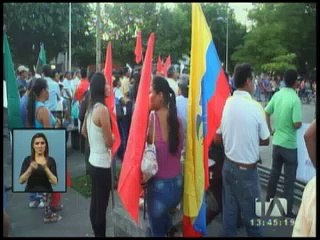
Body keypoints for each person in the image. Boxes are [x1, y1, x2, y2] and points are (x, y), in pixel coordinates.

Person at [215, 63, 270, 237]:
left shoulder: (228, 103)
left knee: (229, 217)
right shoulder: (255, 107)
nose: (254, 83)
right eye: (253, 80)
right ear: (247, 81)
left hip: (228, 168)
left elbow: (218, 136)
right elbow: (265, 139)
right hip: (247, 172)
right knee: (252, 220)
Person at [146, 75, 183, 237]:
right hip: (177, 187)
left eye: (150, 92)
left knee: (156, 232)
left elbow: (147, 154)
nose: (148, 96)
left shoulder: (152, 119)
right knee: (163, 223)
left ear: (160, 96)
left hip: (159, 188)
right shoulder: (178, 120)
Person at [265, 69, 302, 218]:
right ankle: (287, 211)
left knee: (274, 173)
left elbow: (266, 111)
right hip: (289, 146)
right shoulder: (295, 99)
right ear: (295, 82)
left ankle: (268, 201)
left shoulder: (277, 94)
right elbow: (297, 123)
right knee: (289, 179)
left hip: (277, 142)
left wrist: (271, 130)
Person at [81, 72, 114, 237]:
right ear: (101, 87)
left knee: (95, 206)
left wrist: (95, 141)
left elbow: (83, 131)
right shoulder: (102, 110)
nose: (109, 86)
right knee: (101, 209)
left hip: (93, 161)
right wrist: (112, 137)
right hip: (102, 165)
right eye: (106, 83)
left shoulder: (91, 106)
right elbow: (109, 142)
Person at [27, 78, 62, 223]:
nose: (49, 92)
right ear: (42, 91)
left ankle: (50, 209)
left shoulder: (36, 106)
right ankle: (48, 214)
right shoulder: (43, 110)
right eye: (47, 89)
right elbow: (49, 134)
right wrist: (58, 125)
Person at [292, 120, 316, 237]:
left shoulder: (313, 186)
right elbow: (297, 124)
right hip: (288, 145)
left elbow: (308, 135)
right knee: (288, 183)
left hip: (280, 145)